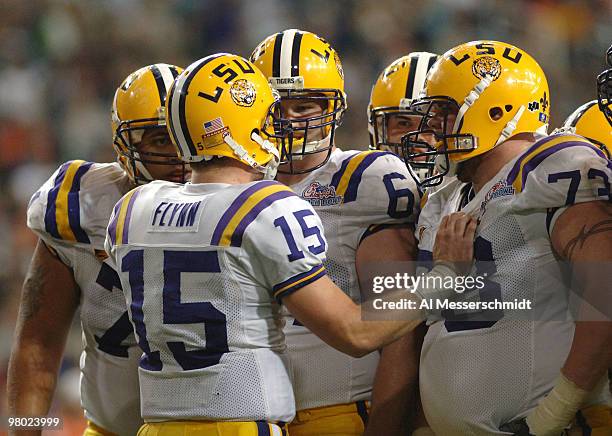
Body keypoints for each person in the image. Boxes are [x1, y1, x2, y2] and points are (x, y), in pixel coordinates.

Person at [105, 52, 476, 436]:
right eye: (268, 118)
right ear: (240, 127)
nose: (276, 130)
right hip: (240, 424)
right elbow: (355, 333)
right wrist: (444, 277)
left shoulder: (132, 208)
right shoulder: (264, 208)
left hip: (155, 425)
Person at [404, 40, 612, 435]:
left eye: (445, 111)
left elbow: (606, 297)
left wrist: (551, 416)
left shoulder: (551, 166)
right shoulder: (446, 199)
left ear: (495, 111)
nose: (431, 125)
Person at [251, 32, 430, 435]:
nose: (290, 118)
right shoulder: (238, 187)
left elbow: (401, 332)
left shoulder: (365, 180)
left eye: (303, 105)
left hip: (338, 410)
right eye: (278, 106)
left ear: (332, 108)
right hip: (254, 416)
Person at [8, 63, 187, 436]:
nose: (178, 154)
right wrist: (24, 430)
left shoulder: (244, 205)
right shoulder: (80, 205)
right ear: (126, 147)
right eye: (158, 139)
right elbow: (39, 339)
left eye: (185, 135)